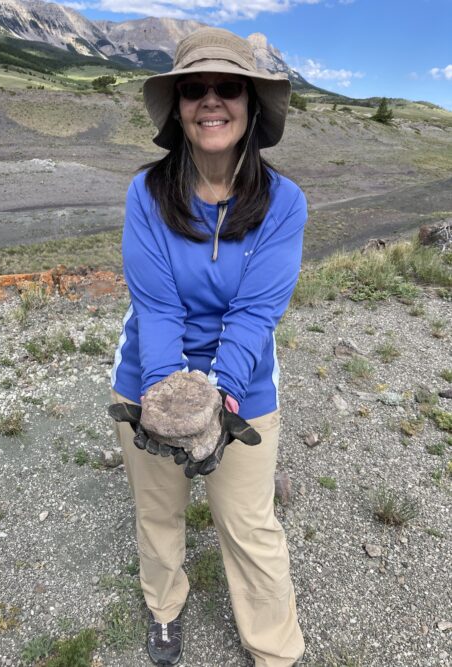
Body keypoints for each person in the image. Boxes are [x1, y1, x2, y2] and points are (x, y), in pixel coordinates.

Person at [109, 26, 307, 667]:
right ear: (178, 107)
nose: (211, 101)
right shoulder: (146, 193)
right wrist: (169, 400)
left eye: (228, 88)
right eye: (195, 89)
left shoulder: (285, 204)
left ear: (250, 103)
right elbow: (158, 307)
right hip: (149, 375)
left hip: (243, 384)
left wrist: (219, 399)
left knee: (249, 527)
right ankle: (164, 609)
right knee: (158, 510)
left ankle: (273, 650)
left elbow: (254, 315)